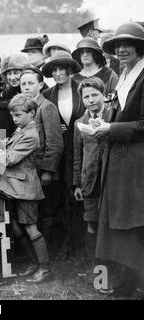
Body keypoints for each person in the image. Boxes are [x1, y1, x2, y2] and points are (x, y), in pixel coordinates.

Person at [91, 22, 144, 298]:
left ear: (139, 47)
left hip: (137, 165)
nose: (121, 49)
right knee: (121, 226)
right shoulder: (124, 75)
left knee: (135, 223)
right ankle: (128, 282)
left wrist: (111, 129)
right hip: (118, 162)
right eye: (117, 46)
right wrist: (104, 123)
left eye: (128, 44)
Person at [0, 94, 51, 283]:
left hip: (25, 188)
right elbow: (7, 146)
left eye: (18, 115)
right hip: (13, 186)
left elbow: (9, 158)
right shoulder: (21, 129)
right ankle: (33, 263)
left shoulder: (31, 135)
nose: (14, 119)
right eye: (13, 115)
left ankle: (45, 268)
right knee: (16, 226)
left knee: (31, 228)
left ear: (32, 113)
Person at [42, 50, 86, 259]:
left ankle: (79, 243)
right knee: (58, 196)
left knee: (77, 194)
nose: (58, 73)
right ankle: (63, 243)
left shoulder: (81, 89)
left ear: (70, 70)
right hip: (58, 151)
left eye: (62, 68)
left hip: (80, 149)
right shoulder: (48, 94)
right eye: (54, 69)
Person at [73, 77, 111, 284]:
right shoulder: (80, 122)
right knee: (92, 225)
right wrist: (76, 183)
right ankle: (99, 276)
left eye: (94, 95)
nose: (90, 100)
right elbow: (77, 155)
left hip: (110, 179)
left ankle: (115, 272)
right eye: (86, 96)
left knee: (110, 227)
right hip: (89, 181)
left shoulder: (112, 117)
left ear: (104, 95)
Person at [20, 67, 64, 243]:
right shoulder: (23, 108)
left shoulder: (47, 107)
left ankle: (48, 255)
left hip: (42, 171)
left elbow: (55, 142)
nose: (26, 87)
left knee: (45, 212)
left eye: (30, 83)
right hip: (29, 170)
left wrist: (47, 170)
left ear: (40, 85)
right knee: (33, 214)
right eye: (23, 84)